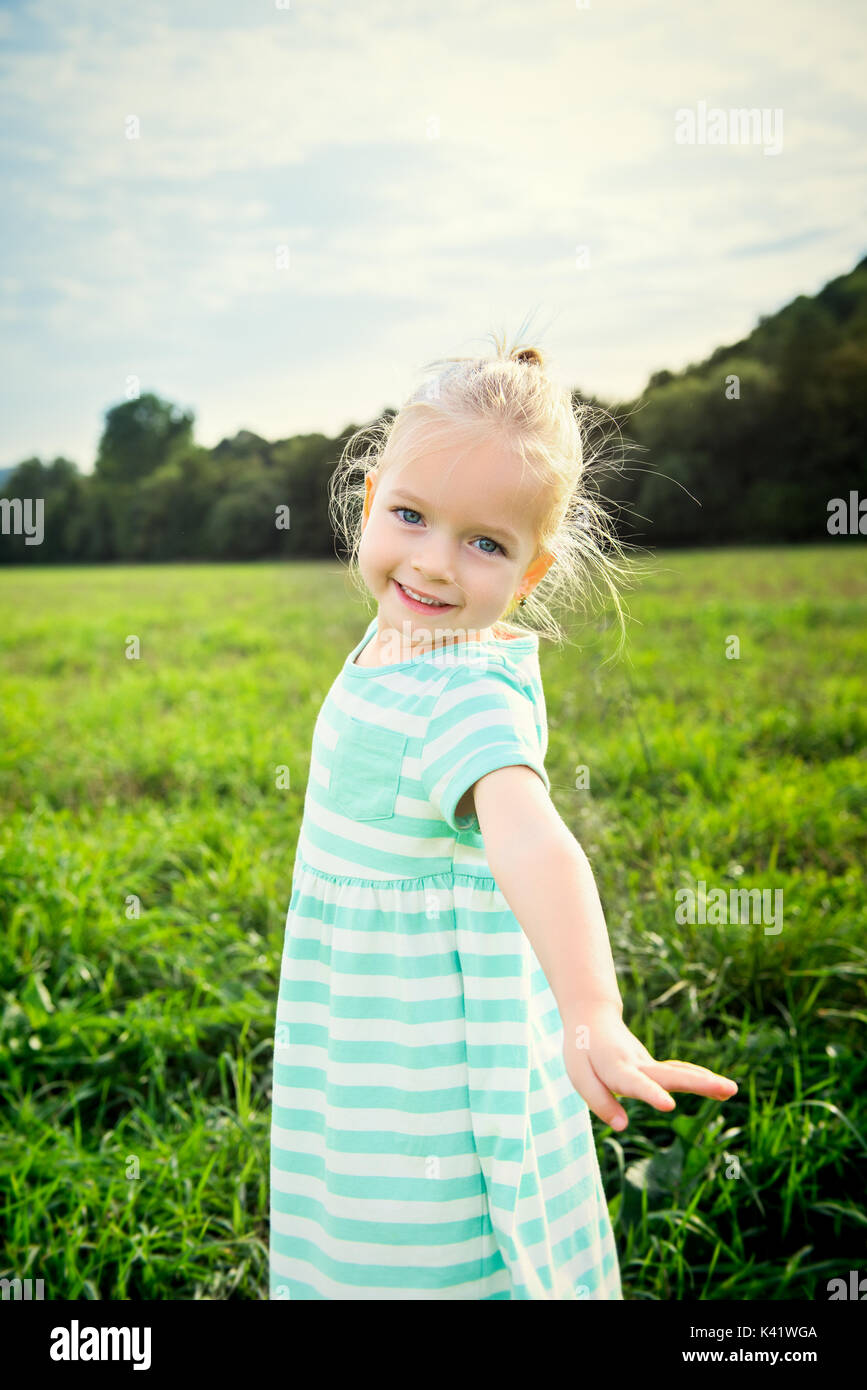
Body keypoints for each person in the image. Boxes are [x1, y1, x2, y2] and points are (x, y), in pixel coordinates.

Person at [268, 334, 738, 1300]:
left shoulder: (463, 697)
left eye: (485, 544)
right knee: (338, 1203)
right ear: (370, 505)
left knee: (415, 1246)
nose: (435, 565)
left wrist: (591, 1012)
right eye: (411, 517)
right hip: (354, 1021)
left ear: (529, 571)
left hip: (419, 1056)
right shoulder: (395, 631)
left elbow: (536, 841)